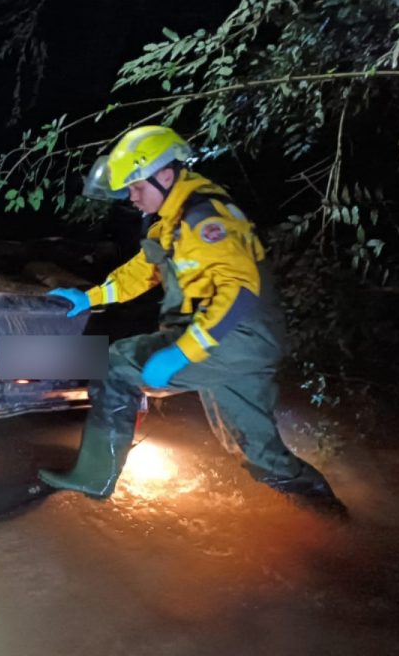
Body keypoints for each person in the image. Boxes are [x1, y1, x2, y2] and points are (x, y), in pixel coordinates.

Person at [44, 125, 345, 514]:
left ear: (165, 175)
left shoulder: (204, 220)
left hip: (232, 339)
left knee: (115, 363)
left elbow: (239, 290)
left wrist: (183, 352)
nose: (131, 197)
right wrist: (91, 297)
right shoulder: (175, 218)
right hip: (247, 345)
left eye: (136, 186)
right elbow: (145, 271)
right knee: (257, 451)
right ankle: (334, 520)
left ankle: (94, 475)